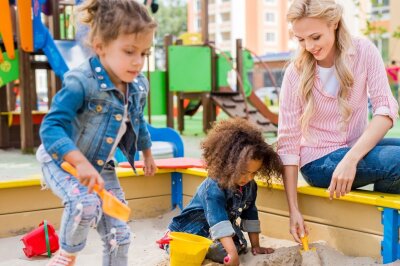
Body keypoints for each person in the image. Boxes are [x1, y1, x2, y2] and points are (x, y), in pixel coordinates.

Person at [36, 0, 157, 265]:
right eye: (129, 51)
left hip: (101, 167)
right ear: (100, 47)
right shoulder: (81, 81)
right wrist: (79, 163)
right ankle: (67, 253)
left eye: (144, 53)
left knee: (120, 237)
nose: (138, 62)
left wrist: (147, 153)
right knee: (85, 204)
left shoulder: (138, 85)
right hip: (62, 160)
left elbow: (137, 120)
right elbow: (51, 127)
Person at [277, 0, 400, 244]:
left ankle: (384, 229)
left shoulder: (364, 51)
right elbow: (288, 146)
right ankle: (385, 232)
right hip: (319, 162)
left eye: (315, 37)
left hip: (353, 153)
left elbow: (385, 111)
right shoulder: (295, 72)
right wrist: (293, 211)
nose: (309, 46)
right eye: (301, 40)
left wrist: (351, 159)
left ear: (333, 24)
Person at [158, 118, 283, 265]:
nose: (248, 178)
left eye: (254, 173)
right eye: (243, 172)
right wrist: (231, 254)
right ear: (227, 163)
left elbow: (250, 213)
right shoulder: (213, 186)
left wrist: (256, 246)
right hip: (191, 229)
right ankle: (170, 241)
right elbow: (218, 220)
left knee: (241, 246)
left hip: (218, 229)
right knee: (227, 251)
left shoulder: (250, 185)